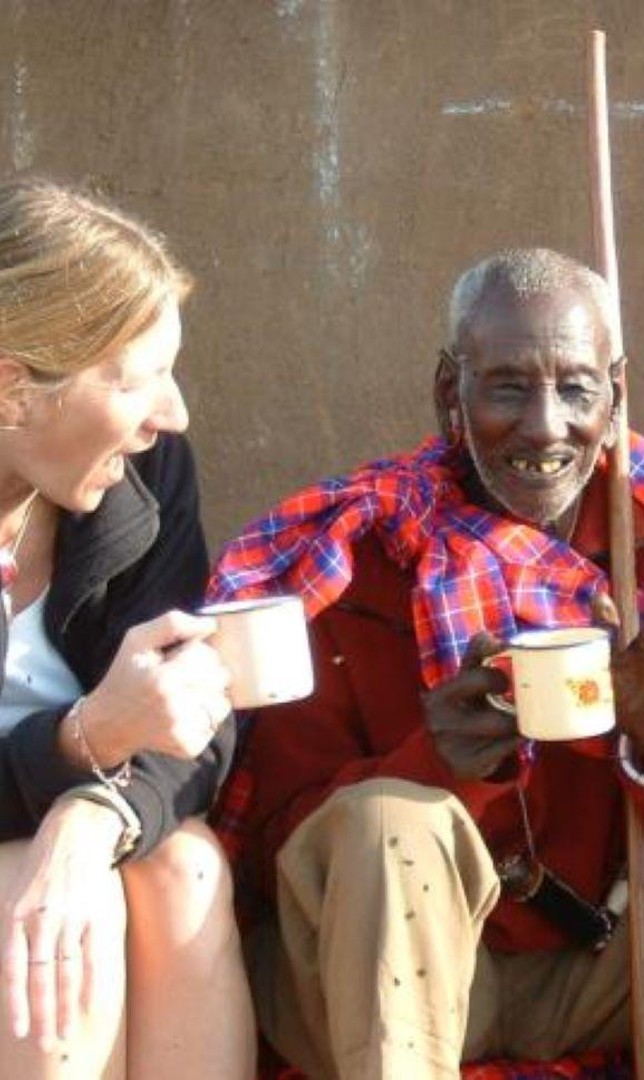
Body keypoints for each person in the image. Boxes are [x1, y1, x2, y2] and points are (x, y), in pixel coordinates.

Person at [210, 247, 644, 1079]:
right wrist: (433, 765)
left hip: (612, 968)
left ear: (616, 395)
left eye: (577, 390)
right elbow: (276, 847)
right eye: (508, 387)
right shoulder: (360, 553)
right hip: (396, 986)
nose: (546, 427)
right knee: (388, 823)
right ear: (450, 392)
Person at [0, 176, 255, 1079]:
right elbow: (107, 730)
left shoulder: (146, 474)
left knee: (184, 872)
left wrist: (94, 810)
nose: (172, 413)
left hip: (65, 817)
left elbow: (198, 717)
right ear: (11, 389)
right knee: (56, 915)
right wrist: (81, 742)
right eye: (137, 378)